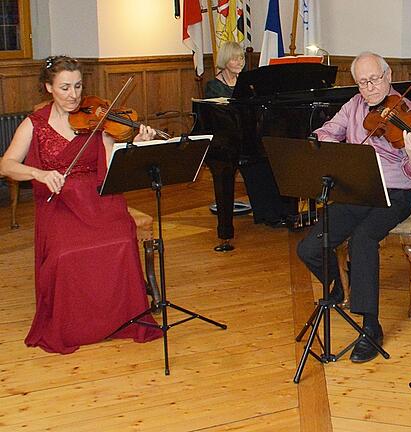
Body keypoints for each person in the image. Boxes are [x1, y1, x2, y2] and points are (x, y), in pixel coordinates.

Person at [0, 55, 163, 354]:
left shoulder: (97, 122)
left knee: (121, 240)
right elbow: (6, 165)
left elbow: (112, 162)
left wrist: (138, 143)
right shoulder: (34, 124)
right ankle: (74, 325)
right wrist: (39, 173)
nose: (73, 95)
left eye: (77, 86)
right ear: (48, 88)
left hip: (99, 197)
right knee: (65, 252)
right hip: (58, 200)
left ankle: (119, 319)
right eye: (64, 87)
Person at [296, 51, 411, 363]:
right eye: (362, 82)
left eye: (374, 79)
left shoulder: (406, 112)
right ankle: (336, 286)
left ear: (389, 76)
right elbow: (331, 129)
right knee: (310, 248)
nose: (368, 87)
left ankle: (371, 327)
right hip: (357, 190)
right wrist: (317, 138)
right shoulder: (353, 106)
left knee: (363, 239)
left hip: (395, 194)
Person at [203, 41, 289, 252]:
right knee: (241, 168)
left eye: (241, 58)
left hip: (249, 136)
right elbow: (219, 116)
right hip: (227, 139)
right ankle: (225, 231)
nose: (239, 62)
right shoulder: (213, 86)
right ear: (225, 61)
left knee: (266, 165)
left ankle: (272, 214)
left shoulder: (249, 82)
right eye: (234, 58)